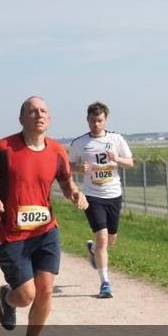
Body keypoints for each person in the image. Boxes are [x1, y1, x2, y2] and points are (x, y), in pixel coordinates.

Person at [0, 96, 88, 336]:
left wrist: (75, 193)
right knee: (27, 295)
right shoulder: (4, 148)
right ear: (21, 118)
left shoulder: (57, 151)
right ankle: (8, 299)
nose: (39, 115)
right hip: (12, 235)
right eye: (32, 111)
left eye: (43, 111)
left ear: (49, 119)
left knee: (46, 290)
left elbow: (66, 183)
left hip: (46, 231)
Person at [68, 101, 134, 298]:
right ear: (87, 120)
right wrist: (79, 169)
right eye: (92, 120)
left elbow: (130, 162)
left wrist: (117, 159)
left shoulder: (116, 139)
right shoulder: (79, 143)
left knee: (110, 240)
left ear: (105, 120)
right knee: (103, 238)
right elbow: (68, 166)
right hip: (92, 196)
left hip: (113, 195)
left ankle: (93, 250)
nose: (96, 124)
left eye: (99, 120)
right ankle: (105, 283)